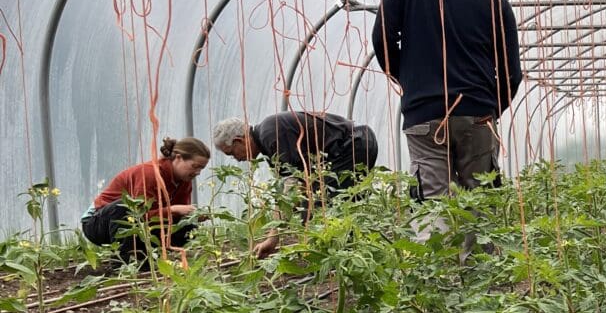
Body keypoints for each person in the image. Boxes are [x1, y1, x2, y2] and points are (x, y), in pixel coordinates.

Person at [372, 0, 523, 202]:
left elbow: (382, 37)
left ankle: (435, 245)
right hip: (477, 115)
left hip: (423, 115)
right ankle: (475, 249)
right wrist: (489, 110)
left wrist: (407, 80)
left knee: (433, 209)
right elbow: (511, 74)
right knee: (478, 210)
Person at [212, 111, 381, 255]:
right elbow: (292, 189)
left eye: (232, 153)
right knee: (323, 205)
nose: (237, 159)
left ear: (239, 141)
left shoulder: (271, 134)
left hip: (354, 145)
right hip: (355, 145)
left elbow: (291, 188)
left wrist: (272, 238)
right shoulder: (267, 138)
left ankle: (340, 256)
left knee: (322, 205)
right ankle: (341, 254)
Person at [81, 137, 210, 262]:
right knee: (125, 207)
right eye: (195, 166)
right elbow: (141, 214)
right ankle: (124, 263)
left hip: (136, 224)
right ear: (178, 158)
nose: (198, 172)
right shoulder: (150, 174)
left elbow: (173, 217)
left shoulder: (184, 181)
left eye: (201, 168)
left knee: (187, 226)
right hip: (97, 223)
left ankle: (151, 257)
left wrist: (192, 216)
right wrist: (173, 210)